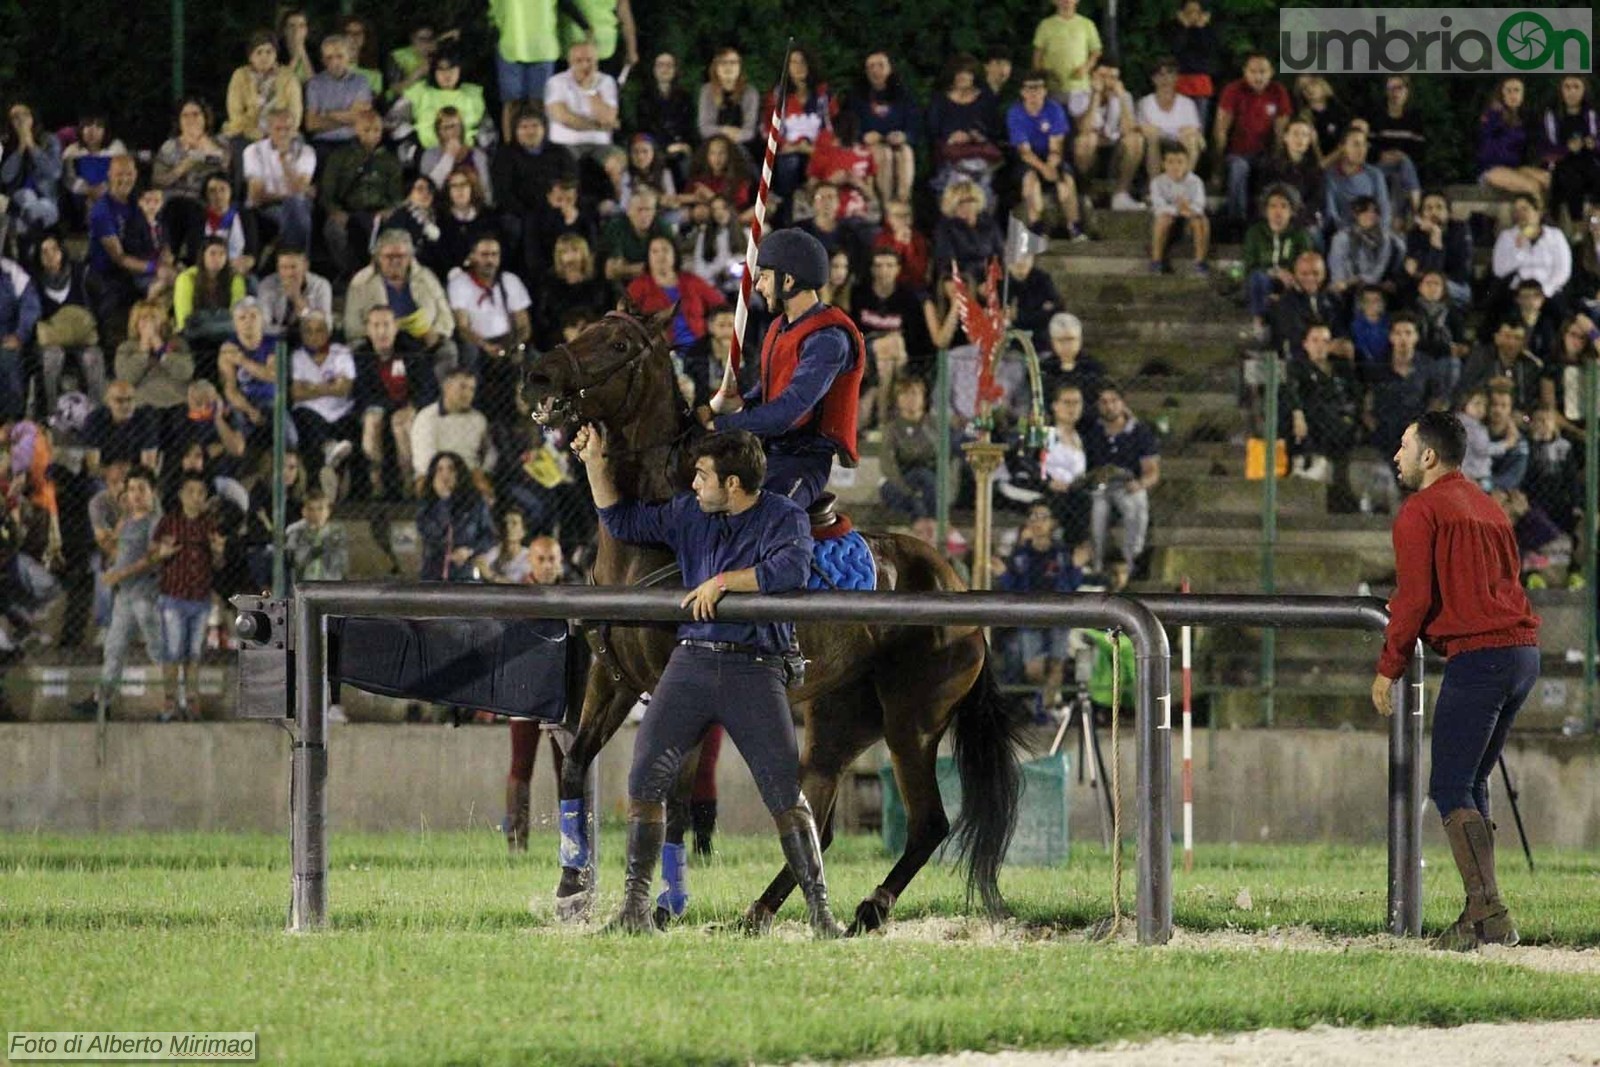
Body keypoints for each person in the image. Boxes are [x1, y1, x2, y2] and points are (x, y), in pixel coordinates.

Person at [573, 424, 842, 937]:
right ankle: (633, 910)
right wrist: (594, 464)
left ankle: (821, 914)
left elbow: (792, 569)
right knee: (644, 776)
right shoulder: (688, 513)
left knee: (785, 793)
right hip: (691, 661)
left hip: (755, 667)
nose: (693, 485)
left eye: (703, 476)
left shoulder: (784, 516)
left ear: (734, 484)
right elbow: (623, 520)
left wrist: (721, 583)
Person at [1372, 411, 1540, 952]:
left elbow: (1414, 600)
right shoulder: (1488, 507)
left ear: (1428, 456)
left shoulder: (1420, 511)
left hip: (1481, 658)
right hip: (1521, 655)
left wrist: (1388, 666)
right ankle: (1485, 911)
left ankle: (1487, 910)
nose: (1395, 456)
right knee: (1472, 783)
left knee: (1448, 786)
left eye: (1403, 445)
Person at [706, 228, 865, 510]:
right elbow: (764, 391)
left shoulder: (828, 339)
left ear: (788, 280)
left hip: (802, 462)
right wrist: (732, 405)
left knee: (768, 519)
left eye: (765, 277)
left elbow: (787, 412)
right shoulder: (780, 327)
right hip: (767, 453)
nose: (758, 286)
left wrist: (720, 427)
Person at [72, 466, 164, 719]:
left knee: (158, 649)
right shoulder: (128, 519)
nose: (135, 495)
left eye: (141, 489)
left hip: (147, 595)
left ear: (152, 492)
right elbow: (116, 547)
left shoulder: (156, 521)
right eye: (131, 489)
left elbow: (152, 559)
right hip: (125, 597)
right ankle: (102, 701)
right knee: (114, 649)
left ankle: (176, 701)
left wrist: (118, 574)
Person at [151, 473, 224, 722]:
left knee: (193, 653)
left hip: (200, 597)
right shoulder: (169, 523)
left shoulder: (209, 524)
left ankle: (191, 700)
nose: (196, 498)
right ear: (181, 495)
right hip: (173, 595)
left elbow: (218, 563)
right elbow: (153, 555)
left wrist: (217, 552)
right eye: (191, 492)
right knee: (173, 651)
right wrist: (162, 553)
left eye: (201, 493)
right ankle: (169, 700)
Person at [448, 235, 533, 423]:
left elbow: (524, 324)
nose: (490, 260)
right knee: (469, 352)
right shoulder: (460, 283)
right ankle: (474, 413)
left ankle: (529, 416)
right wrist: (485, 345)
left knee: (533, 357)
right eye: (484, 254)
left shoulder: (509, 281)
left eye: (494, 254)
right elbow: (462, 326)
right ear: (472, 257)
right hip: (477, 344)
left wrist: (515, 345)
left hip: (508, 340)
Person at [1083, 383, 1160, 575]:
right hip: (1099, 485)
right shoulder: (1093, 431)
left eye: (1114, 401)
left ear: (1123, 403)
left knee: (1136, 504)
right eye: (1104, 402)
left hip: (1127, 484)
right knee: (1097, 512)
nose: (1109, 406)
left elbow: (1152, 472)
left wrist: (1140, 483)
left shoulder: (1140, 431)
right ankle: (1097, 566)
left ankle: (1131, 560)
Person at [319, 110, 405, 279]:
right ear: (356, 130)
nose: (372, 135)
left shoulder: (390, 160)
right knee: (333, 229)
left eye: (376, 130)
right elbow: (327, 192)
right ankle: (353, 272)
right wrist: (335, 211)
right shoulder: (340, 156)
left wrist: (390, 211)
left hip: (378, 212)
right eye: (367, 130)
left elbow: (396, 195)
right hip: (348, 211)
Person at [1212, 54, 1291, 224]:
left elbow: (1281, 131)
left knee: (1273, 169)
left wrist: (1277, 157)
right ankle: (1236, 222)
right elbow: (1221, 129)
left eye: (1262, 72)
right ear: (1245, 73)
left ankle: (1265, 222)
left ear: (1271, 73)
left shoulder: (1278, 91)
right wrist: (1217, 167)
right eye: (1253, 71)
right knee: (1239, 168)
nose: (1258, 76)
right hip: (1237, 153)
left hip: (1265, 152)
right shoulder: (1233, 89)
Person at [1007, 70, 1084, 239]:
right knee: (1030, 181)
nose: (1034, 93)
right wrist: (1044, 169)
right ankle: (1037, 228)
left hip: (1050, 156)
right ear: (1022, 92)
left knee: (1066, 180)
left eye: (1038, 88)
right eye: (1029, 89)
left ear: (1045, 91)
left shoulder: (1054, 109)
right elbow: (1024, 151)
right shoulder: (1015, 113)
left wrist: (1051, 166)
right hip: (1028, 159)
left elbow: (1056, 146)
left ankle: (1075, 227)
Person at [290, 311, 359, 500]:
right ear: (302, 334)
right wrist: (329, 386)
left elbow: (344, 389)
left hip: (341, 411)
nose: (314, 336)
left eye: (319, 330)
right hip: (311, 411)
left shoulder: (341, 352)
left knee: (354, 431)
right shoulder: (297, 357)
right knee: (305, 423)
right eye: (309, 331)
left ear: (328, 332)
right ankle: (322, 484)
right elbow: (296, 392)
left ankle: (342, 482)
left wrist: (312, 388)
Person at [1242, 185, 1315, 341]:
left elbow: (1306, 262)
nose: (1278, 211)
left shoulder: (1300, 235)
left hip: (1290, 282)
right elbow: (1250, 266)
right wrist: (1274, 272)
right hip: (1262, 281)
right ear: (1265, 210)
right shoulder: (1255, 233)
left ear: (1292, 211)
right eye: (1273, 206)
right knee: (1257, 278)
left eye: (1284, 206)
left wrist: (1290, 276)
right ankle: (1259, 322)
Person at [243, 105, 317, 251]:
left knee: (295, 206)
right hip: (265, 208)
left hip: (297, 206)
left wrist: (285, 161)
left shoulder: (306, 151)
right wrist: (289, 195)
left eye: (287, 129)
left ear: (294, 129)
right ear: (269, 130)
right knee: (295, 210)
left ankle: (287, 261)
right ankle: (297, 262)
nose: (283, 133)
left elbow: (299, 190)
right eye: (278, 129)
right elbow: (256, 196)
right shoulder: (253, 151)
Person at [851, 51, 920, 207]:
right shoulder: (857, 97)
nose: (875, 70)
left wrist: (904, 136)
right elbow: (852, 127)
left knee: (905, 153)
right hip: (872, 146)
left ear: (890, 68)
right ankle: (886, 205)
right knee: (885, 154)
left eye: (880, 65)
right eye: (871, 66)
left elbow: (914, 128)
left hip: (898, 144)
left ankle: (903, 205)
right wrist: (863, 136)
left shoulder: (904, 95)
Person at [416, 450, 496, 581]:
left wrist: (469, 550)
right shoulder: (427, 505)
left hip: (466, 573)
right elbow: (430, 532)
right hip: (433, 575)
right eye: (439, 470)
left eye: (451, 469)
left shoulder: (475, 504)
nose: (445, 474)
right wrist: (444, 500)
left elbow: (490, 536)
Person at [489, 0, 562, 143]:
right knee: (512, 104)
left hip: (542, 46)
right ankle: (510, 153)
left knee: (540, 104)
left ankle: (541, 150)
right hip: (511, 44)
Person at [411, 368, 494, 489]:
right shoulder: (426, 417)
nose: (468, 394)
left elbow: (490, 453)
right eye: (463, 387)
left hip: (471, 475)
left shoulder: (479, 418)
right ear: (447, 387)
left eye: (472, 389)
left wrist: (484, 472)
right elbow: (424, 463)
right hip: (436, 475)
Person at [544, 39, 621, 164]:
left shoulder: (607, 81)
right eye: (579, 61)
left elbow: (607, 117)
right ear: (570, 62)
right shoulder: (556, 82)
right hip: (565, 144)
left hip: (600, 145)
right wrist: (599, 126)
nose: (585, 65)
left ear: (596, 61)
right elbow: (564, 118)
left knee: (615, 162)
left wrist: (590, 90)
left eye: (589, 60)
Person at [1490, 192, 1571, 303]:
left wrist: (1544, 291)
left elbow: (1563, 270)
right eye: (1516, 210)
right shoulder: (1507, 236)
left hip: (1549, 293)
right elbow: (1499, 270)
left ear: (1538, 212)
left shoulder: (1555, 235)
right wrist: (1519, 250)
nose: (1520, 214)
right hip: (1517, 292)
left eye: (1525, 209)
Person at [1477, 77, 1548, 199]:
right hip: (1492, 169)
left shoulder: (1523, 118)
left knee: (1549, 179)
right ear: (1501, 94)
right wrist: (1496, 115)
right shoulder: (1493, 114)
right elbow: (1486, 144)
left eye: (1517, 90)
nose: (1512, 94)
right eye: (1508, 90)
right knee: (1532, 186)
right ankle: (1540, 217)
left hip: (1515, 168)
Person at [304, 34, 375, 156]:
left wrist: (329, 114)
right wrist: (347, 117)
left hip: (353, 141)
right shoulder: (315, 84)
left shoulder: (360, 81)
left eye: (339, 56)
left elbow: (360, 118)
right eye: (329, 57)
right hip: (323, 142)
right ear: (322, 60)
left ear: (349, 56)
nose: (334, 62)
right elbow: (311, 124)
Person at [1137, 57, 1205, 178]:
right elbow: (1143, 128)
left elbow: (1193, 128)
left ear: (1176, 77)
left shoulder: (1187, 103)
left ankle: (1183, 183)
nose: (1166, 79)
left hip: (1180, 141)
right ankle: (1155, 186)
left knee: (1192, 140)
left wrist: (1181, 134)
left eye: (1170, 74)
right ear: (1153, 79)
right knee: (1152, 138)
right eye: (1160, 75)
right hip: (1155, 142)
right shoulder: (1145, 103)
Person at [1148, 142, 1209, 274]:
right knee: (1162, 219)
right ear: (1164, 164)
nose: (1175, 166)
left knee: (1201, 221)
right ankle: (1156, 261)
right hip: (1169, 219)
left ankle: (1200, 262)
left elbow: (1200, 204)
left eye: (1180, 162)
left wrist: (1188, 209)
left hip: (1189, 218)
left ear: (1187, 164)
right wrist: (1178, 209)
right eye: (1170, 162)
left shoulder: (1195, 181)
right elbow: (1158, 207)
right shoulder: (1157, 182)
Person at [1032, 0, 1101, 115]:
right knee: (1054, 125)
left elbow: (1096, 51)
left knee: (1080, 126)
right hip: (1052, 86)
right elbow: (1037, 54)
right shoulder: (1045, 25)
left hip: (1079, 86)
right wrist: (1041, 77)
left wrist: (1086, 67)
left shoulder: (1087, 24)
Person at [284, 486, 349, 582]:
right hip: (304, 584)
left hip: (330, 582)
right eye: (311, 509)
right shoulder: (296, 531)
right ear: (304, 512)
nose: (316, 514)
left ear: (328, 511)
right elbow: (296, 560)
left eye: (320, 509)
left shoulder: (337, 531)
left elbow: (341, 562)